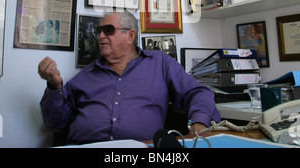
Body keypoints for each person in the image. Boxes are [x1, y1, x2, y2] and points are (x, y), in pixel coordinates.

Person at [38, 10, 221, 145]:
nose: (101, 35)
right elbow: (55, 122)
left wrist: (199, 123)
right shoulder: (85, 76)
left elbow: (198, 92)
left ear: (130, 35)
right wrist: (55, 86)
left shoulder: (160, 64)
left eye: (108, 30)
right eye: (99, 30)